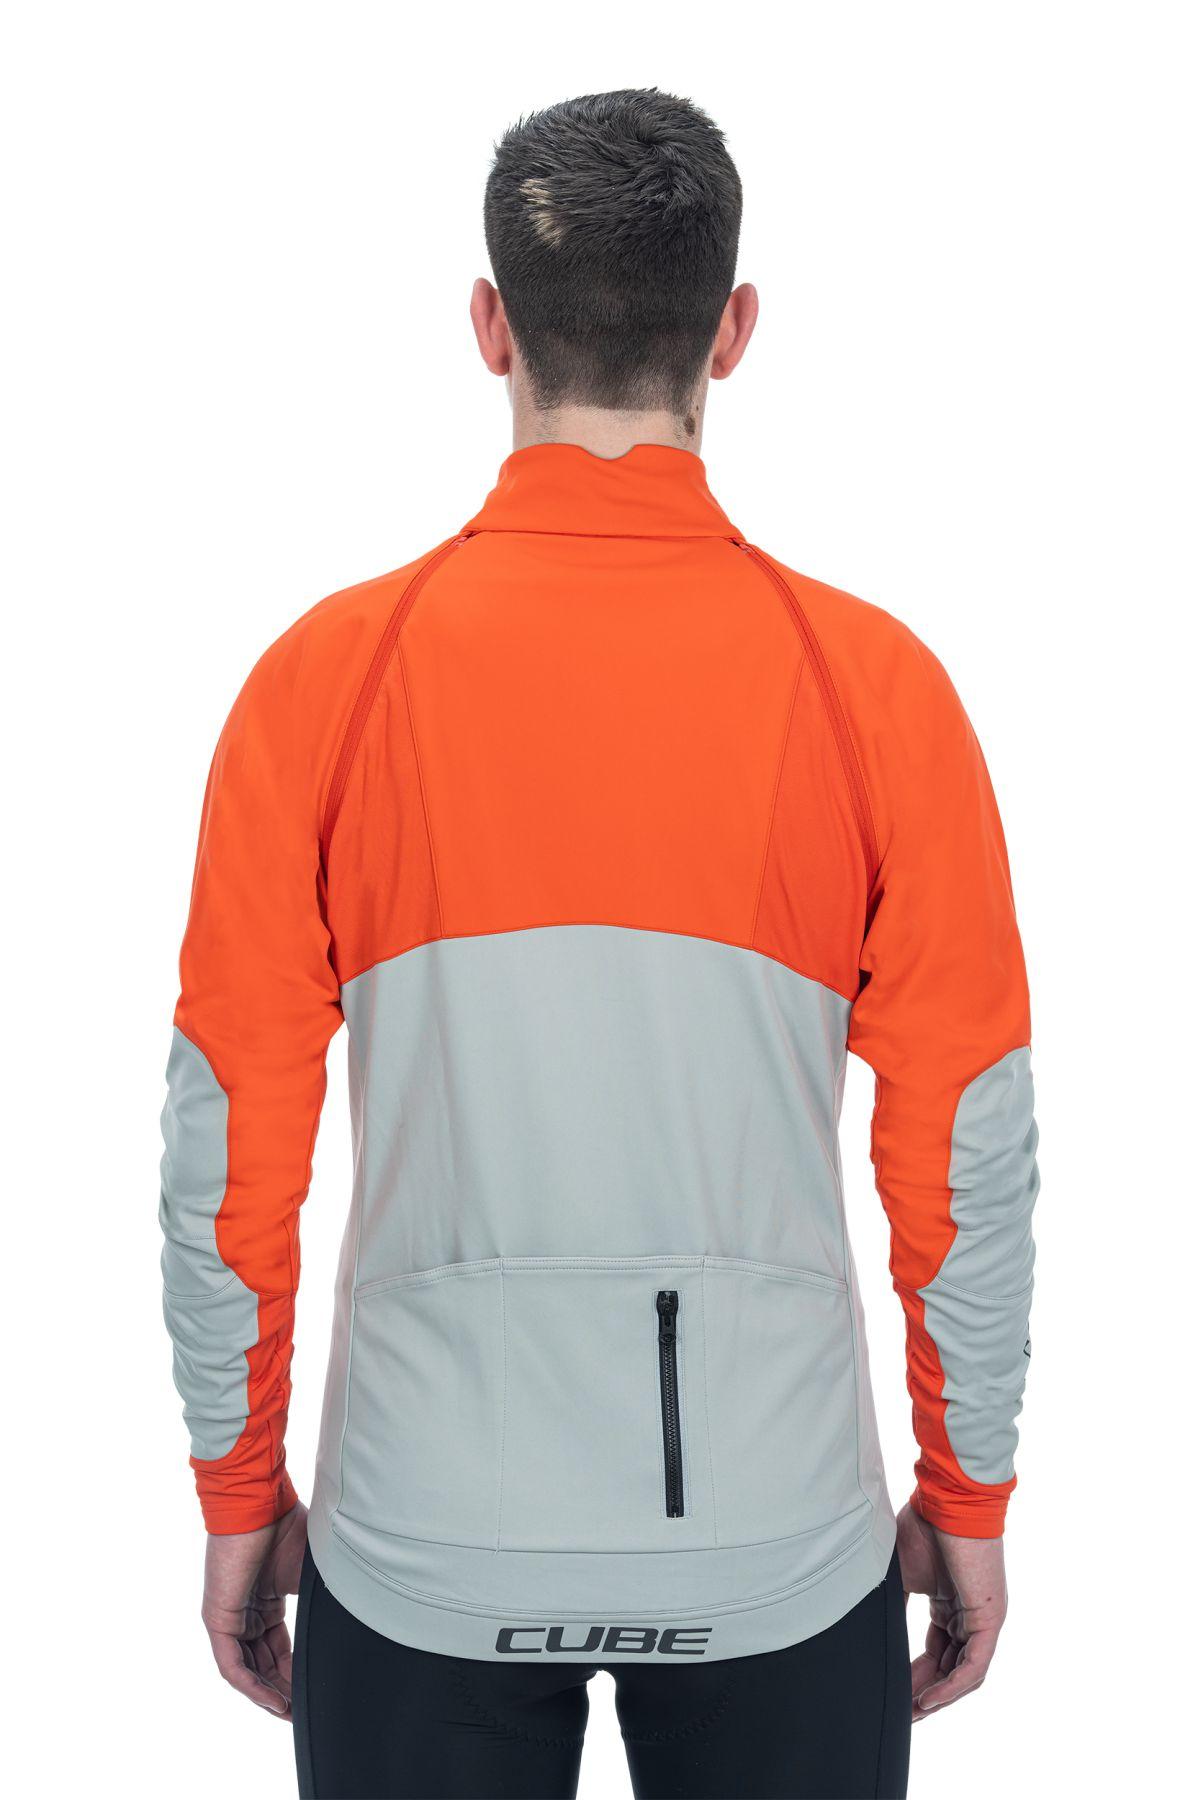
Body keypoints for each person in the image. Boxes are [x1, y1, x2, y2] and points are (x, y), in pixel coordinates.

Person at [160, 88, 1038, 1800]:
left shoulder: (326, 681)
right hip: (779, 1544)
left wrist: (237, 1489)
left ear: (491, 326)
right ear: (735, 329)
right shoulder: (875, 691)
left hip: (422, 1540)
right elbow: (966, 1155)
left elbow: (229, 1155)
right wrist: (970, 1492)